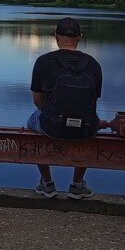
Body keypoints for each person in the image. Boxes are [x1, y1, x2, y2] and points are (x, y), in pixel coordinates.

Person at [26, 16, 103, 200]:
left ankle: (47, 183)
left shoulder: (43, 62)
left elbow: (37, 100)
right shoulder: (93, 64)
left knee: (32, 121)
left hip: (53, 126)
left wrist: (54, 113)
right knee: (92, 118)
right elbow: (93, 101)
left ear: (56, 37)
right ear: (80, 37)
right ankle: (77, 185)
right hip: (84, 129)